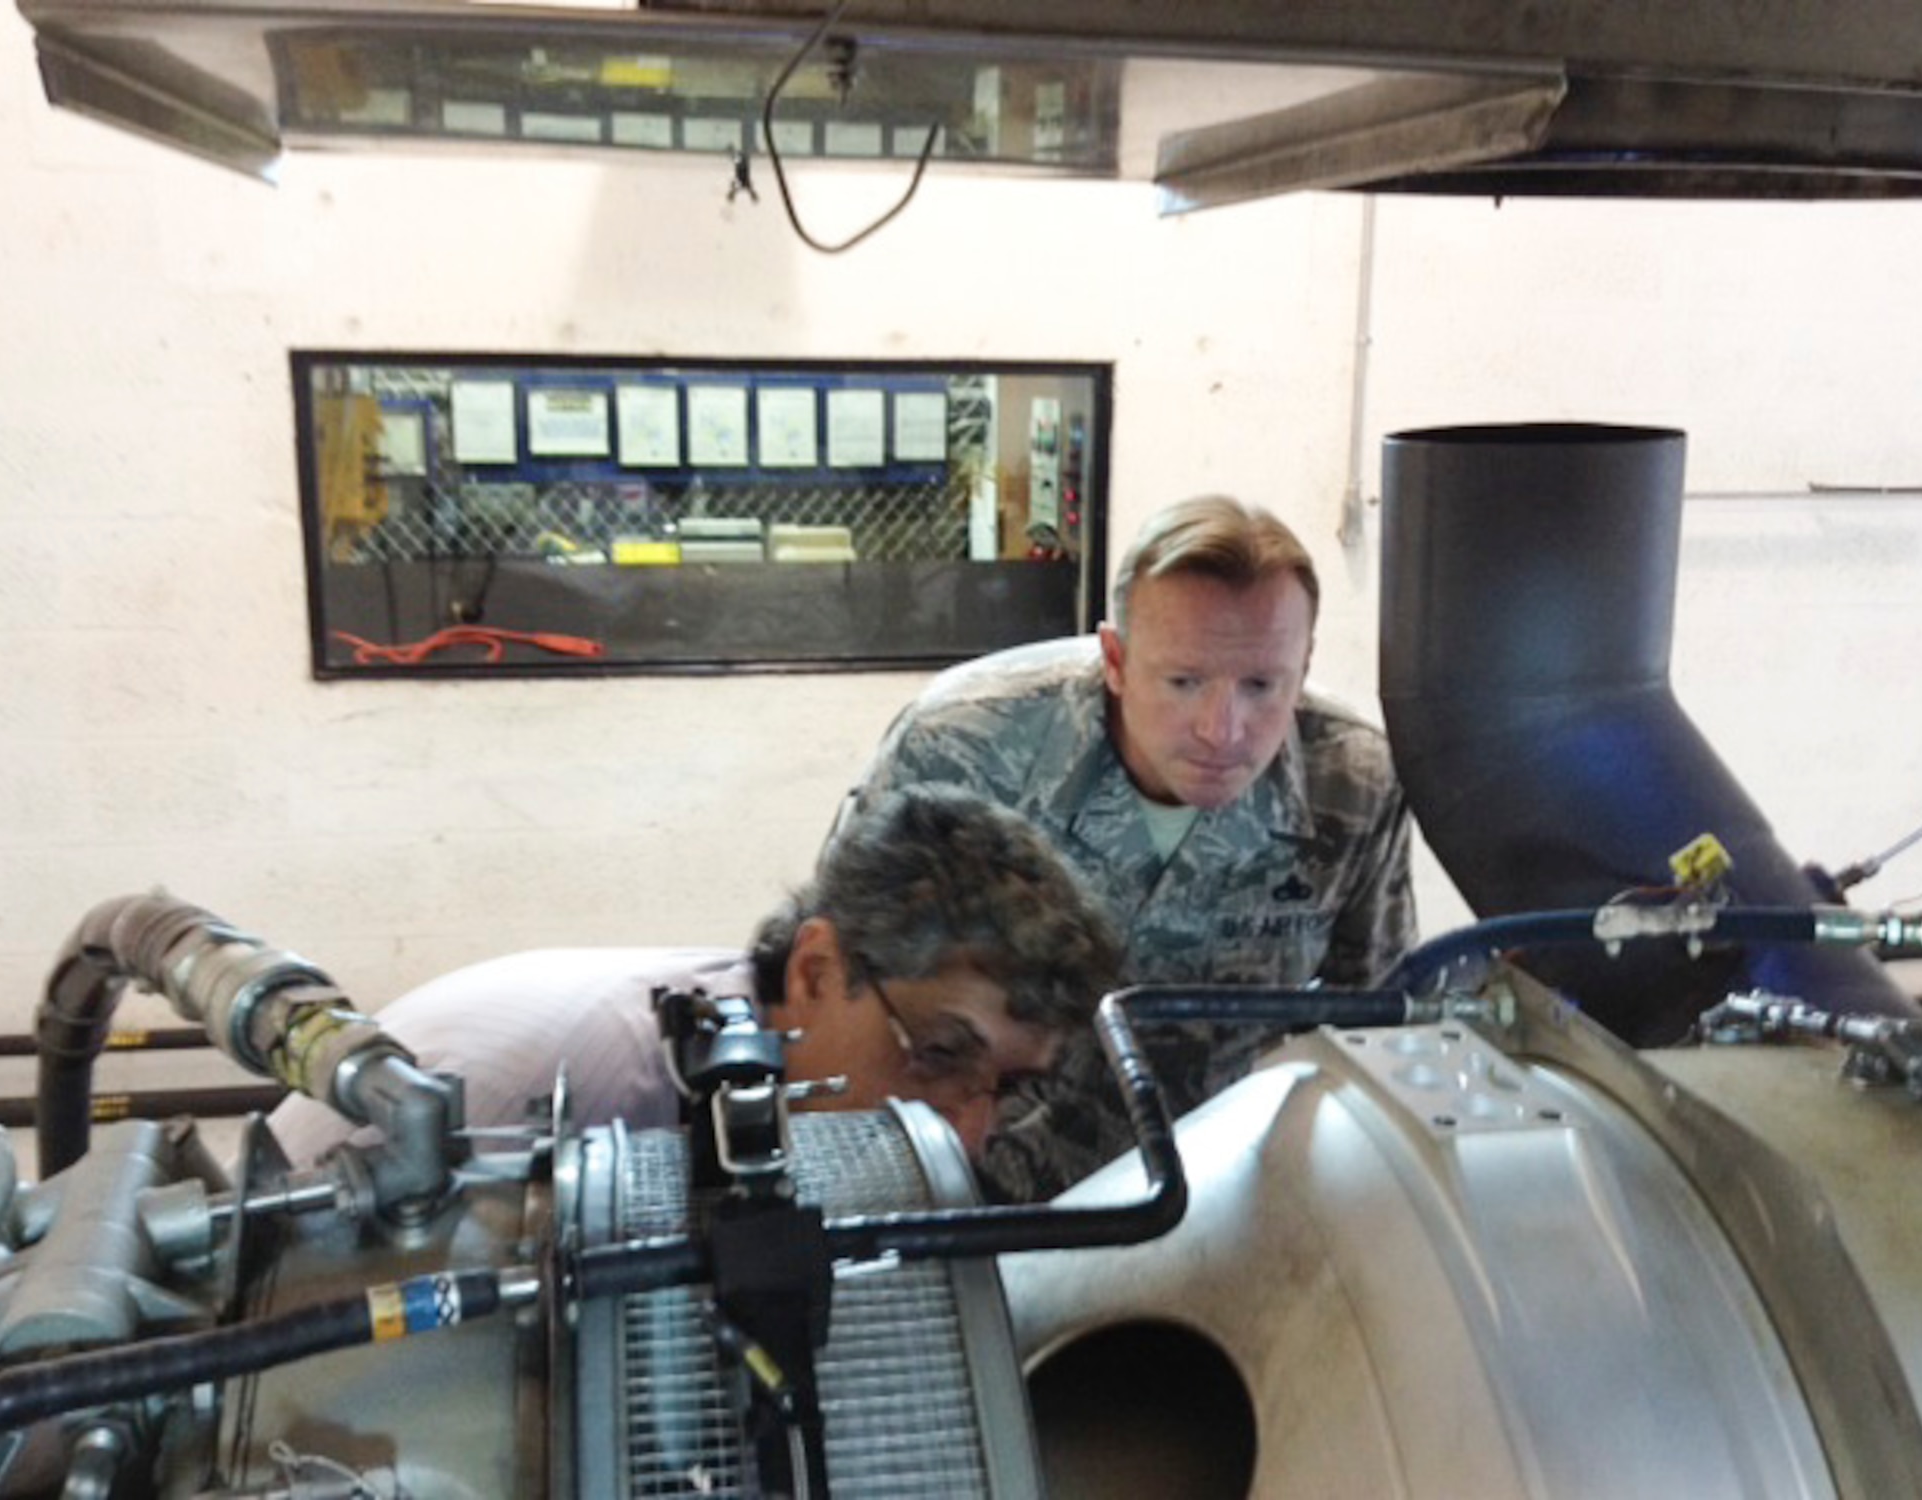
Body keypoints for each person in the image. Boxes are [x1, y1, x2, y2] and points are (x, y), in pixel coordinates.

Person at [839, 495, 1418, 1200]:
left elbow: (1375, 1031)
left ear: (1304, 663)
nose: (1222, 728)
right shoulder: (965, 744)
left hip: (1218, 1202)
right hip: (974, 1191)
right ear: (1114, 659)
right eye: (1184, 682)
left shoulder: (1353, 784)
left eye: (1262, 685)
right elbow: (840, 986)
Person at [268, 785, 1122, 1168]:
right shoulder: (593, 1099)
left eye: (1005, 1092)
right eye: (936, 1055)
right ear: (819, 970)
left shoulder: (749, 1040)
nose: (965, 1137)